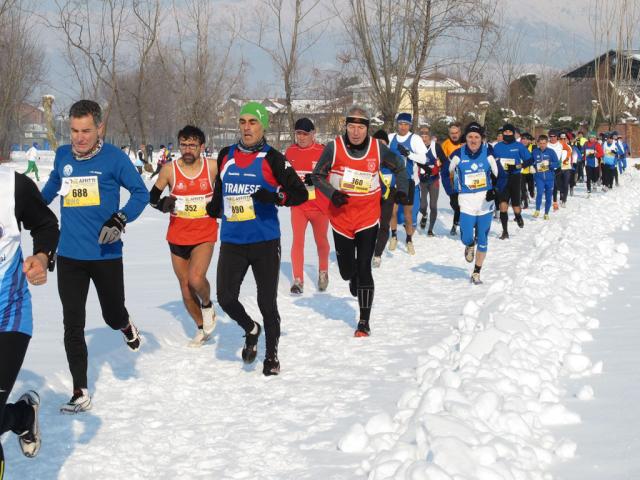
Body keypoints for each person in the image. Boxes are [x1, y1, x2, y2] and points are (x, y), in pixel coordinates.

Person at [41, 100, 148, 413]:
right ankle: (80, 390)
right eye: (74, 130)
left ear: (99, 128)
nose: (79, 137)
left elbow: (140, 194)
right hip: (71, 255)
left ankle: (126, 326)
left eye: (86, 130)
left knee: (112, 315)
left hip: (106, 254)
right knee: (72, 323)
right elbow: (49, 190)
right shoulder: (63, 156)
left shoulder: (115, 159)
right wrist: (24, 207)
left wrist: (120, 218)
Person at [207, 102, 307, 376]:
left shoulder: (273, 158)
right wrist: (214, 207)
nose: (247, 127)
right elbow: (221, 191)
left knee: (266, 302)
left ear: (263, 125)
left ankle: (272, 356)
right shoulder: (226, 155)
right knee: (226, 298)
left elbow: (300, 193)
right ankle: (252, 329)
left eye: (253, 121)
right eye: (242, 121)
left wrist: (276, 196)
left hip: (264, 241)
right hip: (232, 240)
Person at [312, 106, 409, 336]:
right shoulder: (334, 148)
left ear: (368, 129)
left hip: (367, 216)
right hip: (341, 218)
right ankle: (352, 275)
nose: (355, 132)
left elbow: (401, 167)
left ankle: (364, 321)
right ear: (345, 127)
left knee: (365, 266)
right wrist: (332, 193)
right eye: (351, 127)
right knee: (347, 272)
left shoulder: (378, 148)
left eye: (360, 127)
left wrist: (403, 190)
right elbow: (317, 175)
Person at [0, 166, 59, 478]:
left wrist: (41, 257)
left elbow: (47, 226)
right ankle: (23, 417)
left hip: (7, 317)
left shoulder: (13, 187)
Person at [150, 125, 219, 347]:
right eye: (184, 145)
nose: (187, 149)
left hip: (204, 232)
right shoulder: (169, 170)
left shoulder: (212, 167)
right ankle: (201, 328)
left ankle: (207, 304)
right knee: (185, 287)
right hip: (178, 235)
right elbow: (151, 197)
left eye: (192, 145)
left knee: (196, 278)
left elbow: (230, 183)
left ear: (202, 147)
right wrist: (162, 204)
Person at [449, 122, 499, 285]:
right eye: (470, 136)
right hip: (467, 203)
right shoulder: (458, 154)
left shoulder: (489, 153)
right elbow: (447, 173)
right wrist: (453, 193)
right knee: (467, 236)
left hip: (485, 203)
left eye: (476, 137)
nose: (473, 140)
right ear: (466, 138)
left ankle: (476, 272)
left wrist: (495, 190)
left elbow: (501, 174)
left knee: (483, 238)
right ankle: (470, 244)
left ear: (482, 139)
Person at [285, 117, 330, 294]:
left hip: (319, 207)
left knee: (321, 241)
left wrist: (318, 181)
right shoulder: (290, 152)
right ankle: (298, 279)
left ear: (313, 134)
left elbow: (332, 177)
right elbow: (284, 177)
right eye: (298, 134)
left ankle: (323, 272)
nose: (301, 137)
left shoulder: (323, 152)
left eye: (305, 134)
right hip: (299, 207)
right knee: (297, 241)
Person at [387, 113, 427, 255]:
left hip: (409, 182)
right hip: (393, 181)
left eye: (406, 124)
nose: (403, 127)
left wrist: (409, 154)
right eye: (400, 123)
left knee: (408, 214)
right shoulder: (391, 138)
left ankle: (409, 239)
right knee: (392, 211)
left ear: (410, 125)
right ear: (397, 124)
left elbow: (424, 159)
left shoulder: (414, 139)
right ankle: (394, 236)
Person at [492, 123, 532, 239]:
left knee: (515, 206)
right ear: (503, 133)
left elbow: (529, 160)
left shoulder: (519, 146)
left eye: (510, 132)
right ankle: (505, 232)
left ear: (513, 133)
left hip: (515, 177)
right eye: (505, 132)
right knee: (503, 205)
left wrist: (517, 167)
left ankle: (518, 216)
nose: (508, 134)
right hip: (502, 178)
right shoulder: (497, 147)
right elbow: (493, 162)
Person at [371, 129, 396, 268]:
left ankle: (378, 254)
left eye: (383, 142)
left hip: (388, 194)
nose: (380, 144)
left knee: (384, 224)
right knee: (369, 223)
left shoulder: (392, 156)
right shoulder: (368, 155)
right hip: (371, 194)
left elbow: (401, 172)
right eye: (378, 142)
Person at [418, 126, 445, 236]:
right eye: (422, 136)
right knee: (422, 205)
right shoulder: (417, 147)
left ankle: (430, 229)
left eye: (426, 136)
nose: (424, 139)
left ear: (430, 136)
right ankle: (424, 215)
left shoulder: (436, 146)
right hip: (422, 181)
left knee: (433, 205)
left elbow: (444, 159)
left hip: (434, 180)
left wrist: (439, 165)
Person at [440, 122, 463, 235]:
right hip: (452, 177)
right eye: (452, 133)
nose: (454, 135)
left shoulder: (465, 142)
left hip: (465, 177)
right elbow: (442, 163)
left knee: (464, 203)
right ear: (449, 133)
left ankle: (456, 225)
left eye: (456, 132)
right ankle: (457, 222)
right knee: (455, 202)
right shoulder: (445, 144)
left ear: (460, 132)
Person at [530, 135, 560, 219]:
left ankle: (546, 213)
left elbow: (557, 163)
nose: (542, 145)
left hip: (549, 178)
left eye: (544, 143)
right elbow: (531, 161)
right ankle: (537, 210)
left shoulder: (551, 152)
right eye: (541, 143)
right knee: (539, 193)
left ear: (547, 143)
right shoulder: (535, 151)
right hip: (539, 177)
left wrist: (550, 164)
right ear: (538, 143)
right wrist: (531, 166)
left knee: (548, 196)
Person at [547, 131, 571, 210]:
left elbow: (568, 150)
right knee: (553, 186)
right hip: (549, 168)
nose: (553, 138)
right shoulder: (546, 144)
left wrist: (565, 158)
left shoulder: (561, 143)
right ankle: (555, 202)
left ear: (557, 137)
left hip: (558, 168)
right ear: (549, 137)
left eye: (554, 136)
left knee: (559, 185)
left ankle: (563, 200)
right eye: (551, 136)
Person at [519, 133, 535, 209]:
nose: (524, 141)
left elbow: (535, 158)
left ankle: (531, 193)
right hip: (521, 171)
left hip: (530, 171)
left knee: (530, 187)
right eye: (523, 139)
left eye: (526, 139)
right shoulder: (518, 147)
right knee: (522, 188)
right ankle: (524, 202)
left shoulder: (533, 147)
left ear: (529, 141)